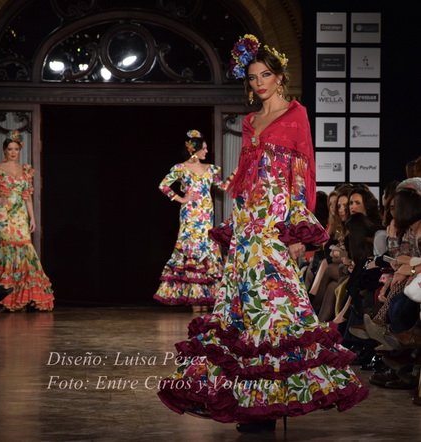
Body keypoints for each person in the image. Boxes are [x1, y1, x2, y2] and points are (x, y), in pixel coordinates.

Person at [157, 35, 368, 433]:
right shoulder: (249, 121)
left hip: (274, 220)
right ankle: (249, 401)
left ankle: (272, 401)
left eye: (265, 75)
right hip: (247, 219)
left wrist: (297, 230)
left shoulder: (296, 115)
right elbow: (243, 178)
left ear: (280, 76)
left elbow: (302, 176)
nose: (259, 83)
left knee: (275, 304)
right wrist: (236, 220)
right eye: (253, 77)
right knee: (242, 304)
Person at [0, 130, 54, 312]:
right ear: (5, 150)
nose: (13, 152)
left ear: (19, 151)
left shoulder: (25, 170)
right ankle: (5, 296)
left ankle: (28, 296)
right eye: (10, 149)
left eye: (16, 149)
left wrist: (32, 218)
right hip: (4, 215)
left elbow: (27, 197)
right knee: (7, 251)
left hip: (21, 216)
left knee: (26, 250)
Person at [154, 130, 235, 311]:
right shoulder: (181, 168)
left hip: (206, 216)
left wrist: (238, 170)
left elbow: (224, 186)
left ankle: (206, 298)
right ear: (194, 150)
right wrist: (181, 199)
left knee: (207, 248)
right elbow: (163, 185)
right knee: (191, 249)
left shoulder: (210, 168)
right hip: (190, 216)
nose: (206, 152)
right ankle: (193, 300)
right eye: (204, 149)